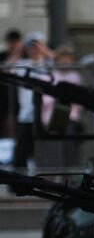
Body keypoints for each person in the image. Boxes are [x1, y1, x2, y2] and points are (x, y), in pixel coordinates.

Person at [10, 33, 52, 172]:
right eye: (32, 47)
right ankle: (18, 184)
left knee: (45, 151)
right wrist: (18, 51)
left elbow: (62, 63)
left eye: (38, 46)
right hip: (26, 115)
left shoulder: (48, 65)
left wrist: (45, 51)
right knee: (21, 151)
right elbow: (6, 68)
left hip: (45, 116)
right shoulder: (22, 65)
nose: (35, 50)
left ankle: (46, 182)